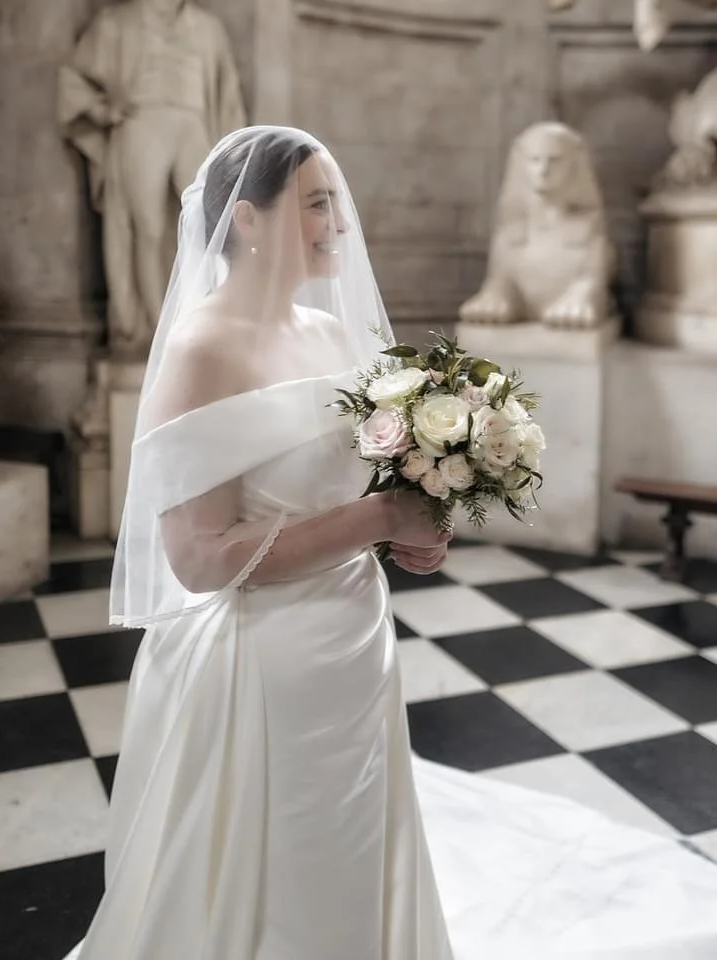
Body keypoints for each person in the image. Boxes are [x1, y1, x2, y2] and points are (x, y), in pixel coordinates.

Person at [65, 126, 717, 960]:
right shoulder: (202, 350)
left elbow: (355, 483)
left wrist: (420, 517)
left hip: (353, 640)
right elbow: (198, 558)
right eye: (314, 202)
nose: (338, 220)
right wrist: (376, 523)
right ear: (248, 221)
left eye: (335, 200)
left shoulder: (332, 336)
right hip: (256, 666)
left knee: (351, 845)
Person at [57, 0, 246, 353]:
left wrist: (235, 153)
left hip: (194, 124)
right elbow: (73, 80)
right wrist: (102, 110)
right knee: (147, 229)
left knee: (210, 223)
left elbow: (227, 95)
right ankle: (158, 324)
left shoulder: (207, 28)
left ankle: (205, 314)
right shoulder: (116, 22)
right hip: (142, 123)